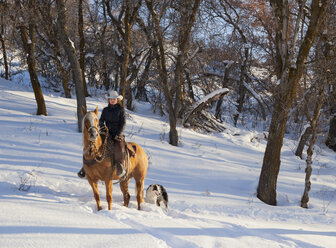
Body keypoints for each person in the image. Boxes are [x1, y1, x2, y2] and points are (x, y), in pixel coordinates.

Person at [77, 90, 126, 178]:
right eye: (111, 99)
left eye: (114, 99)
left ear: (117, 100)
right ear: (109, 100)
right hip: (106, 133)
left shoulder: (121, 110)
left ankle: (120, 166)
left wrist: (119, 134)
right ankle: (86, 166)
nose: (112, 100)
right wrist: (103, 127)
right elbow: (101, 121)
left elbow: (123, 123)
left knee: (119, 147)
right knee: (92, 144)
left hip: (117, 134)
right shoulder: (105, 110)